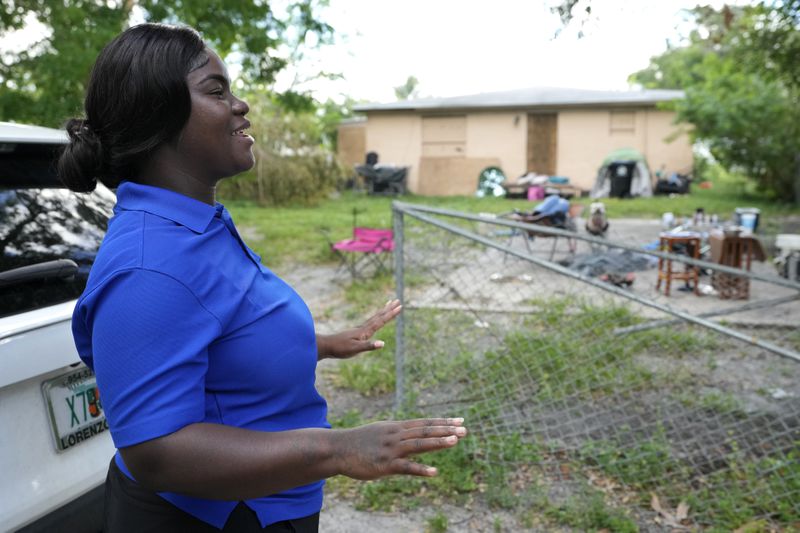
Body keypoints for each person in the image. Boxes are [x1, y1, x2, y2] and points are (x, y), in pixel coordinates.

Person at [59, 23, 466, 532]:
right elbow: (157, 452)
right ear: (158, 116)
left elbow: (218, 335)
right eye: (215, 89)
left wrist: (317, 343)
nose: (240, 104)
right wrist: (337, 448)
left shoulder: (193, 224)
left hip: (262, 505)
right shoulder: (150, 264)